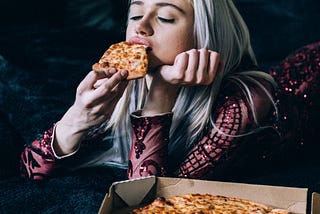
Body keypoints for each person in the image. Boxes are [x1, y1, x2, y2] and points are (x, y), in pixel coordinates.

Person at [19, 0, 317, 181]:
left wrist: (161, 90)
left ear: (204, 34)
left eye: (165, 17)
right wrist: (79, 117)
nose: (142, 28)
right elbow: (31, 171)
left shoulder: (247, 99)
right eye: (136, 15)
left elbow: (148, 195)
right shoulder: (124, 84)